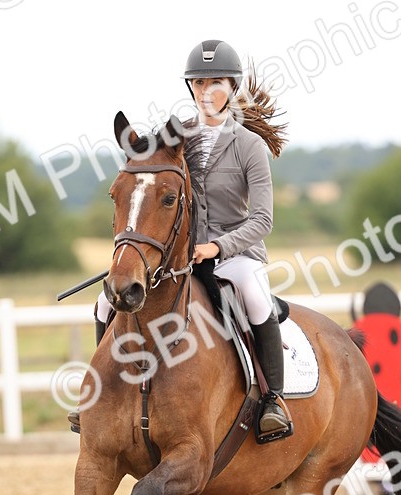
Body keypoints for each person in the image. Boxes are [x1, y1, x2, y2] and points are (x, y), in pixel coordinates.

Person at [92, 38, 291, 437]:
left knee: (253, 295)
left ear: (232, 87)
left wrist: (218, 247)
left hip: (236, 252)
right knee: (104, 301)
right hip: (178, 253)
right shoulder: (175, 138)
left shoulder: (249, 146)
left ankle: (274, 400)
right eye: (198, 84)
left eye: (215, 82)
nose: (206, 92)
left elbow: (263, 219)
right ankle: (104, 392)